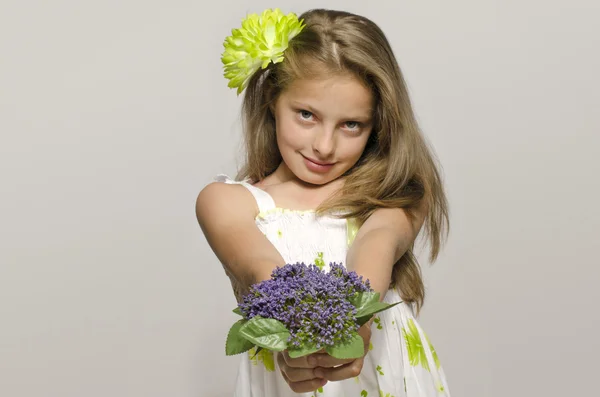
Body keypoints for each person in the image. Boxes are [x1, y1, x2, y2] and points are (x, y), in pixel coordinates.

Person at [196, 8, 451, 397]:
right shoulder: (228, 202)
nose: (325, 146)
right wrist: (300, 335)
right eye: (306, 115)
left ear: (378, 124)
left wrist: (356, 323)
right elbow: (259, 267)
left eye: (351, 124)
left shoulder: (394, 193)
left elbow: (376, 243)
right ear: (271, 101)